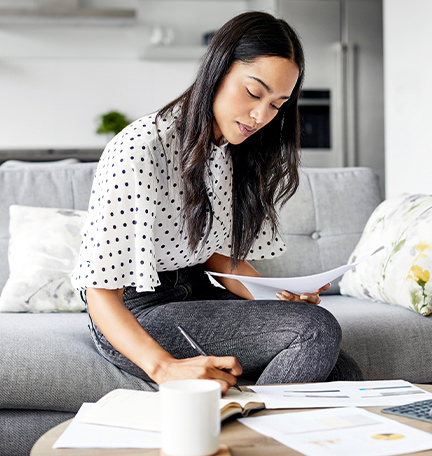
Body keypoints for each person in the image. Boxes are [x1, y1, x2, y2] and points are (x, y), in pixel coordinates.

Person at [71, 11, 362, 394]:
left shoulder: (234, 149)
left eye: (277, 105)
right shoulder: (141, 148)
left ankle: (250, 430)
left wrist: (281, 298)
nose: (261, 115)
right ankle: (242, 436)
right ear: (217, 70)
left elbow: (219, 258)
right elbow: (99, 291)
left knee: (343, 371)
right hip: (134, 314)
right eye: (254, 92)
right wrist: (164, 368)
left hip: (195, 294)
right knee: (316, 331)